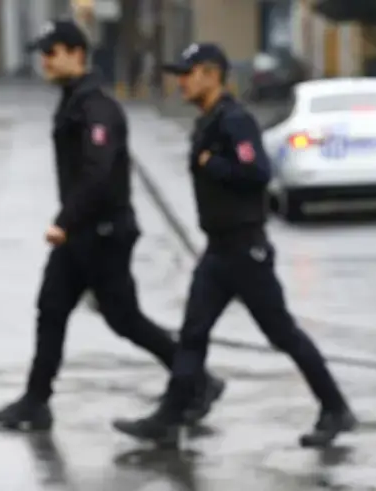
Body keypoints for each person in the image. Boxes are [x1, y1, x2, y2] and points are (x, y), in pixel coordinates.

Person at [112, 43, 356, 447]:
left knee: (282, 334)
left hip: (245, 251)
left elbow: (257, 171)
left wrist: (213, 163)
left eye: (188, 74)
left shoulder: (235, 120)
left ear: (211, 74)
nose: (182, 82)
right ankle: (170, 417)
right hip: (218, 251)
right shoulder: (209, 121)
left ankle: (335, 408)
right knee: (193, 333)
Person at [0, 21, 221, 430]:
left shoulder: (97, 108)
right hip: (81, 232)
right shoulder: (74, 101)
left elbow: (98, 173)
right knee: (51, 309)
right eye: (43, 54)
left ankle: (198, 379)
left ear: (76, 54)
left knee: (124, 319)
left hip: (104, 233)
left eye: (52, 53)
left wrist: (64, 221)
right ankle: (35, 401)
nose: (45, 61)